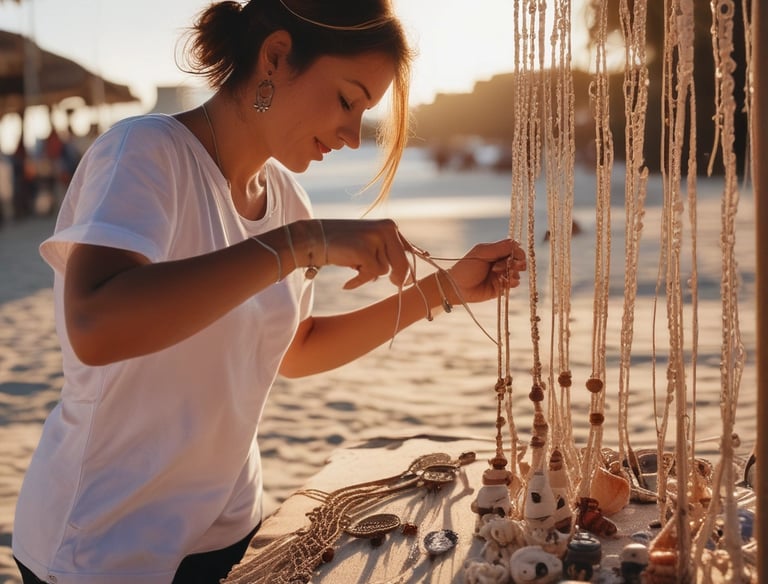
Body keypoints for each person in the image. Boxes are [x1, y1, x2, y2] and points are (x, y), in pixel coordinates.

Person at [12, 1, 526, 583]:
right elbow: (95, 325)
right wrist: (299, 244)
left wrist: (442, 290)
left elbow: (296, 347)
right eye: (346, 100)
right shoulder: (146, 151)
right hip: (103, 544)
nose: (353, 135)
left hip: (228, 530)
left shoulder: (285, 199)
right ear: (276, 56)